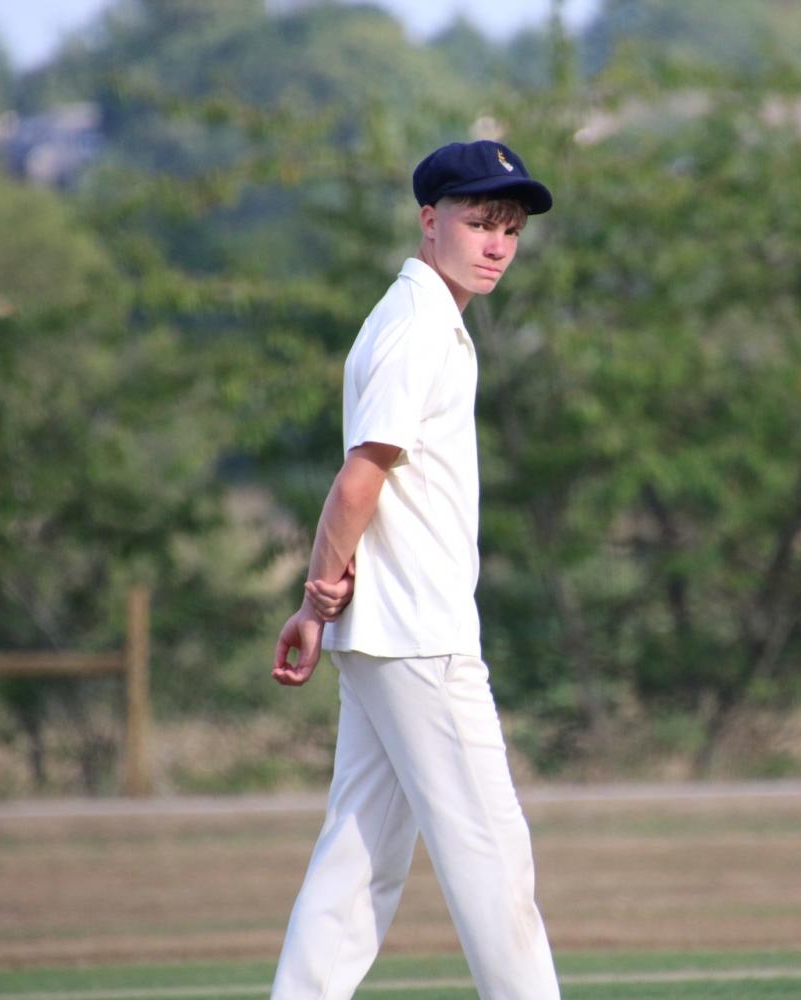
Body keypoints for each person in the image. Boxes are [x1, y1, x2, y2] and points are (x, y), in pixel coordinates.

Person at [268, 140, 561, 1000]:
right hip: (421, 640)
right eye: (480, 222)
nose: (498, 244)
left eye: (509, 227)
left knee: (356, 867)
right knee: (494, 863)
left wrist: (326, 610)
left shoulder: (419, 317)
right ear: (430, 220)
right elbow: (359, 477)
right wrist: (317, 601)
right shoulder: (418, 325)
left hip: (390, 638)